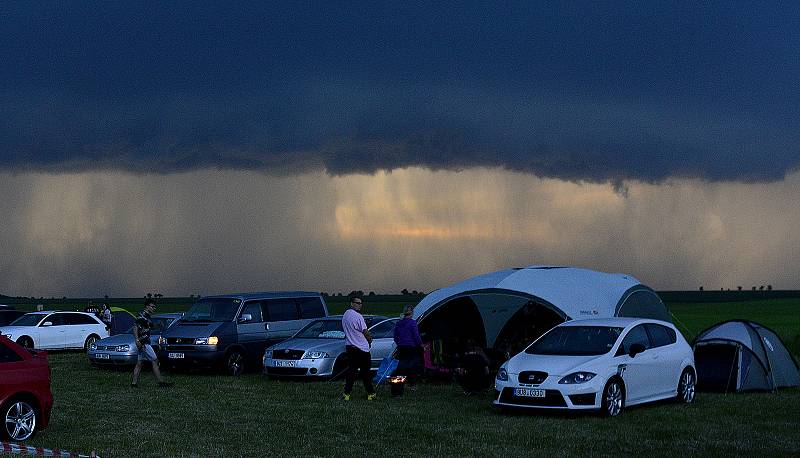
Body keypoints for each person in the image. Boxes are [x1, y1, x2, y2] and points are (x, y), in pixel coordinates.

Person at [341, 296, 375, 401]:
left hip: (350, 347)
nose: (360, 305)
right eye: (357, 303)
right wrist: (369, 340)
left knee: (351, 371)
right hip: (362, 349)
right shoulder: (358, 316)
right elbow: (365, 332)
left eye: (361, 303)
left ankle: (346, 394)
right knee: (365, 373)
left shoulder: (345, 315)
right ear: (352, 303)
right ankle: (371, 393)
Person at [131, 299, 171, 387]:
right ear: (147, 306)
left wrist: (158, 325)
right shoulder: (141, 315)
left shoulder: (148, 317)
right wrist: (137, 340)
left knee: (139, 363)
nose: (154, 308)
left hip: (144, 342)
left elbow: (150, 327)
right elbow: (135, 327)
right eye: (152, 306)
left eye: (155, 307)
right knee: (155, 361)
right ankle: (161, 382)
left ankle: (134, 383)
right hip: (144, 343)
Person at [393, 304, 423, 388]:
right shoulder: (413, 323)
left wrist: (399, 343)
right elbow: (416, 336)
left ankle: (399, 385)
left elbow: (395, 336)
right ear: (412, 312)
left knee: (401, 367)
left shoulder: (399, 323)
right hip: (411, 347)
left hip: (401, 347)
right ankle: (412, 384)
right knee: (412, 366)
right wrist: (421, 344)